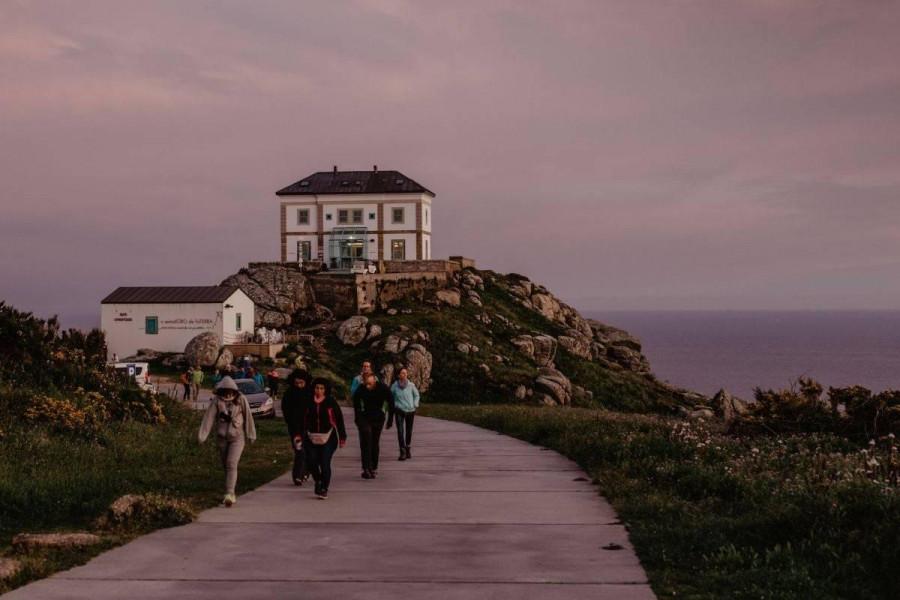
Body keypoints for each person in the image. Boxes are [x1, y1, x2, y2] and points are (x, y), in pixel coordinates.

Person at [198, 376, 257, 506]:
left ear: (234, 390)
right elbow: (208, 418)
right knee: (226, 465)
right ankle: (229, 487)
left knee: (231, 463)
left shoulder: (241, 400)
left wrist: (251, 434)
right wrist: (202, 436)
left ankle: (230, 493)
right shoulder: (217, 401)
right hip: (221, 438)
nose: (228, 394)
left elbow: (248, 417)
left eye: (230, 391)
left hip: (237, 436)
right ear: (221, 391)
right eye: (225, 391)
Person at [301, 378, 347, 499]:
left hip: (329, 438)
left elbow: (339, 420)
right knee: (312, 461)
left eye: (322, 388)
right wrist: (299, 435)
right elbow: (303, 420)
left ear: (326, 390)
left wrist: (342, 437)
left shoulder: (331, 402)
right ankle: (318, 480)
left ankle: (324, 488)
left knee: (325, 463)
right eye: (317, 388)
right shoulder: (308, 402)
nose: (319, 391)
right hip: (311, 437)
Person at [352, 372, 392, 479]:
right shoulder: (361, 388)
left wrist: (390, 420)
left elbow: (391, 401)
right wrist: (357, 416)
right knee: (366, 441)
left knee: (374, 442)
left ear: (374, 380)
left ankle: (373, 467)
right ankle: (365, 468)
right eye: (366, 384)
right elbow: (355, 401)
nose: (368, 386)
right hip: (365, 417)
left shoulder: (382, 388)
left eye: (370, 384)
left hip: (378, 418)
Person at [281, 369, 312, 486]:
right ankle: (297, 476)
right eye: (296, 383)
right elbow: (285, 409)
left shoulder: (310, 393)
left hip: (309, 427)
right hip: (294, 427)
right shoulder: (289, 393)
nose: (299, 385)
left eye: (301, 383)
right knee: (299, 450)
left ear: (306, 382)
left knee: (309, 451)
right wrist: (289, 420)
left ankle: (306, 471)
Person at [388, 367, 420, 461]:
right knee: (400, 431)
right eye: (402, 373)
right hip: (399, 410)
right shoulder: (394, 386)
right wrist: (393, 406)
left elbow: (416, 395)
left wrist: (415, 404)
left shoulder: (411, 385)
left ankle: (408, 448)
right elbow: (391, 398)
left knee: (409, 430)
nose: (405, 374)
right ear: (398, 375)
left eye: (406, 373)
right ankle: (402, 451)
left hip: (410, 411)